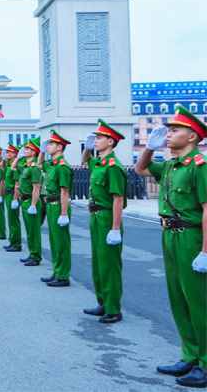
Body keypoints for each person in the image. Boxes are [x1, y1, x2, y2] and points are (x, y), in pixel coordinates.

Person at [136, 106, 206, 387]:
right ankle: (190, 355)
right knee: (179, 300)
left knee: (199, 302)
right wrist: (149, 148)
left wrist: (205, 252)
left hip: (191, 238)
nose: (168, 134)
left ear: (192, 136)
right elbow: (141, 169)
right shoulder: (170, 166)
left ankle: (205, 363)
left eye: (174, 130)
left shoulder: (200, 166)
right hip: (169, 236)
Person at [81, 119, 127, 324]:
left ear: (110, 141)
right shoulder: (99, 164)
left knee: (109, 265)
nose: (95, 140)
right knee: (99, 263)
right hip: (95, 217)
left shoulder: (113, 167)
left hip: (107, 218)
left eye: (99, 138)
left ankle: (114, 309)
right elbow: (85, 160)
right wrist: (87, 147)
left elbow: (118, 199)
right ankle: (103, 302)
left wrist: (115, 228)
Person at [39, 131, 73, 287]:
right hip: (51, 205)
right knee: (54, 242)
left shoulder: (62, 166)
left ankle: (63, 276)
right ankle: (57, 272)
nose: (48, 146)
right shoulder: (52, 164)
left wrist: (64, 214)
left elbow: (65, 191)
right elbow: (40, 165)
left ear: (60, 147)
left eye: (51, 144)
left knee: (61, 243)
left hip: (59, 205)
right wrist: (41, 151)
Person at [12, 139, 43, 266]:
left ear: (33, 152)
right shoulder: (26, 167)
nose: (25, 150)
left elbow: (36, 187)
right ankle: (32, 254)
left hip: (31, 200)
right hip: (25, 201)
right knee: (29, 231)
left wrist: (33, 205)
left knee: (34, 231)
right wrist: (18, 158)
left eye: (28, 149)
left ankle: (36, 256)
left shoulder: (34, 168)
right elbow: (13, 167)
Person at [3, 143, 22, 252]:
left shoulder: (15, 167)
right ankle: (12, 241)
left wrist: (15, 199)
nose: (6, 154)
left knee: (14, 220)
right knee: (11, 220)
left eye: (9, 152)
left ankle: (16, 243)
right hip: (8, 194)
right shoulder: (9, 165)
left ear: (15, 154)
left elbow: (17, 184)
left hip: (12, 194)